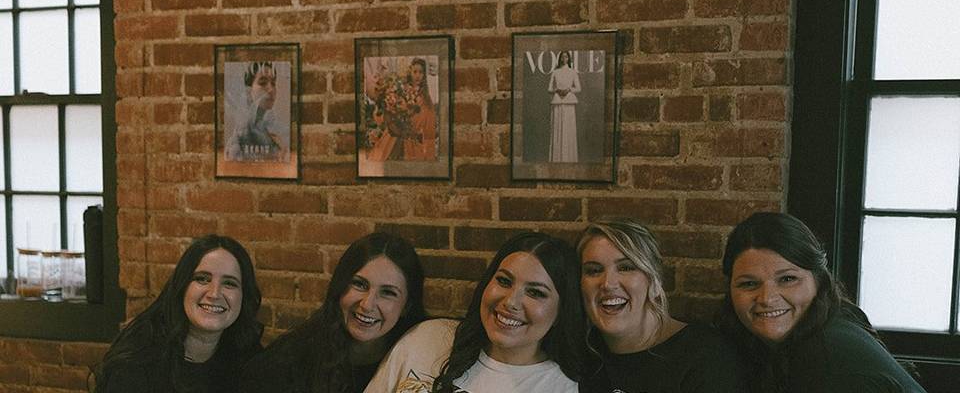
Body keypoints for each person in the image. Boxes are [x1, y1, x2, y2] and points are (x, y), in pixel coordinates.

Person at [716, 212, 926, 393]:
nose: (767, 298)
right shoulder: (797, 339)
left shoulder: (828, 357)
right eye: (749, 284)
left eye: (788, 279)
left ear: (819, 280)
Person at [364, 232, 585, 393]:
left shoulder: (562, 387)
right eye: (504, 281)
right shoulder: (426, 337)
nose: (510, 302)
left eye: (536, 293)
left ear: (561, 312)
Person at [239, 232, 426, 393]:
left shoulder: (421, 362)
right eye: (359, 284)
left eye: (388, 293)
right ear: (340, 286)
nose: (368, 304)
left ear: (407, 306)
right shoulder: (287, 362)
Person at [578, 218, 747, 393]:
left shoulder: (705, 355)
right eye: (594, 270)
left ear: (654, 280)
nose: (608, 283)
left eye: (626, 268)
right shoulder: (577, 356)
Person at [92, 235, 262, 393]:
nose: (214, 294)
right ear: (182, 287)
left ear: (243, 296)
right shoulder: (135, 366)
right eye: (202, 279)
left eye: (229, 283)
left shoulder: (249, 359)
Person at [226, 61, 285, 162]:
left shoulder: (272, 136)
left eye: (273, 83)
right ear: (248, 91)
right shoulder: (242, 134)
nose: (271, 90)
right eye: (262, 83)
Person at [548, 51, 581, 163]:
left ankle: (569, 159)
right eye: (562, 56)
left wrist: (568, 90)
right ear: (560, 58)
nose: (564, 58)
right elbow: (549, 89)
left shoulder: (573, 72)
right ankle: (557, 159)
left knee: (568, 129)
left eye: (566, 56)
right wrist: (557, 90)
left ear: (569, 58)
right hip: (557, 102)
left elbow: (578, 88)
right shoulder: (555, 72)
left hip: (569, 103)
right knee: (557, 128)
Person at [403, 58, 437, 160]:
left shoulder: (426, 96)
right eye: (415, 72)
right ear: (411, 72)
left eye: (421, 72)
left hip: (420, 137)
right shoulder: (404, 91)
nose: (417, 75)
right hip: (406, 135)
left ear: (424, 75)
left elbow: (430, 120)